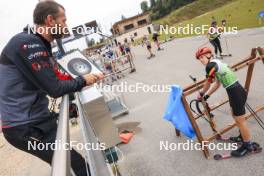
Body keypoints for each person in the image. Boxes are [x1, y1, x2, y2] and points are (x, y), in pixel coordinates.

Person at [0, 1, 103, 175]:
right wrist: (83, 81)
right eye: (63, 21)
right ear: (50, 20)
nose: (66, 26)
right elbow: (54, 88)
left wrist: (83, 81)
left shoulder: (36, 42)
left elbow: (59, 76)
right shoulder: (28, 43)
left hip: (37, 119)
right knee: (74, 166)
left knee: (74, 165)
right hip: (24, 127)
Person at [195, 47, 260, 157]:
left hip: (235, 92)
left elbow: (208, 83)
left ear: (209, 55)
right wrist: (206, 96)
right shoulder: (216, 63)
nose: (201, 60)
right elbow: (217, 84)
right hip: (236, 90)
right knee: (235, 116)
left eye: (202, 57)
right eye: (199, 58)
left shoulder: (210, 66)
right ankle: (241, 137)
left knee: (240, 120)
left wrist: (201, 93)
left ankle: (247, 145)